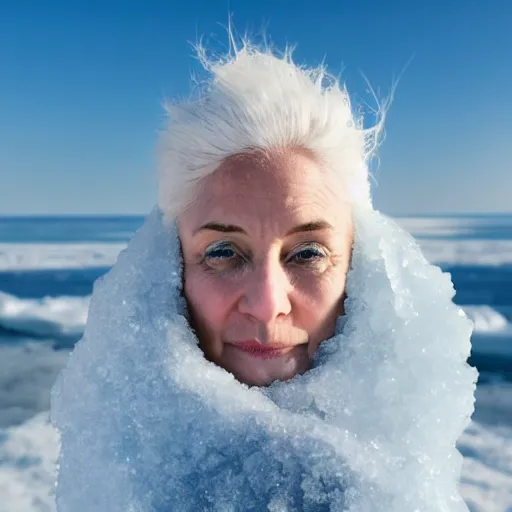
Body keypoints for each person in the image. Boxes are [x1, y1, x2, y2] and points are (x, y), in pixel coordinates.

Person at [51, 39, 477, 512]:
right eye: (224, 252)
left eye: (308, 253)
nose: (267, 301)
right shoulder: (109, 483)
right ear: (167, 267)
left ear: (361, 266)